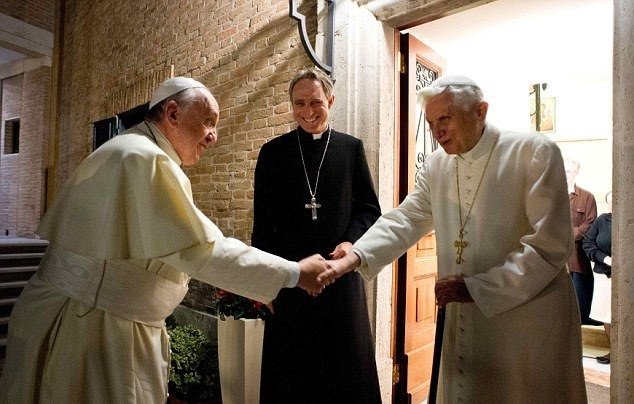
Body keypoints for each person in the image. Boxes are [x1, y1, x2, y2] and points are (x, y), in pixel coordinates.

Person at [0, 77, 330, 403]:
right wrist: (293, 273)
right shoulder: (145, 159)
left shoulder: (130, 149)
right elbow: (201, 252)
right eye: (208, 121)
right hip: (95, 330)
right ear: (172, 113)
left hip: (86, 318)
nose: (213, 136)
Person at [322, 75, 587, 403]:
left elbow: (549, 247)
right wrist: (356, 254)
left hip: (527, 319)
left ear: (481, 111)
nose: (437, 131)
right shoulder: (437, 165)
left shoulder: (533, 152)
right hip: (466, 311)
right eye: (431, 123)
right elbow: (407, 218)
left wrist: (476, 288)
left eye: (445, 119)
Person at [252, 68, 382, 403]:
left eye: (315, 102)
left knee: (344, 376)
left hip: (339, 279)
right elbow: (263, 226)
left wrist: (351, 241)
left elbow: (369, 209)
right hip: (290, 280)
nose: (308, 111)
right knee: (293, 379)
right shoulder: (273, 153)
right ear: (291, 105)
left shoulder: (350, 149)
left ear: (331, 101)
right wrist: (265, 283)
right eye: (300, 103)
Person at [564, 158, 599, 325]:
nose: (565, 174)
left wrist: (566, 234)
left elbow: (590, 224)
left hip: (577, 259)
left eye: (569, 171)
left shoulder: (587, 197)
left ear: (576, 173)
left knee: (579, 308)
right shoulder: (550, 195)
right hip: (555, 260)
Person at [583, 191, 613, 364]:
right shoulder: (602, 220)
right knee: (606, 314)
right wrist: (605, 258)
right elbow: (588, 243)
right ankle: (615, 351)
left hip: (626, 277)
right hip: (604, 275)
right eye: (610, 201)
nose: (613, 204)